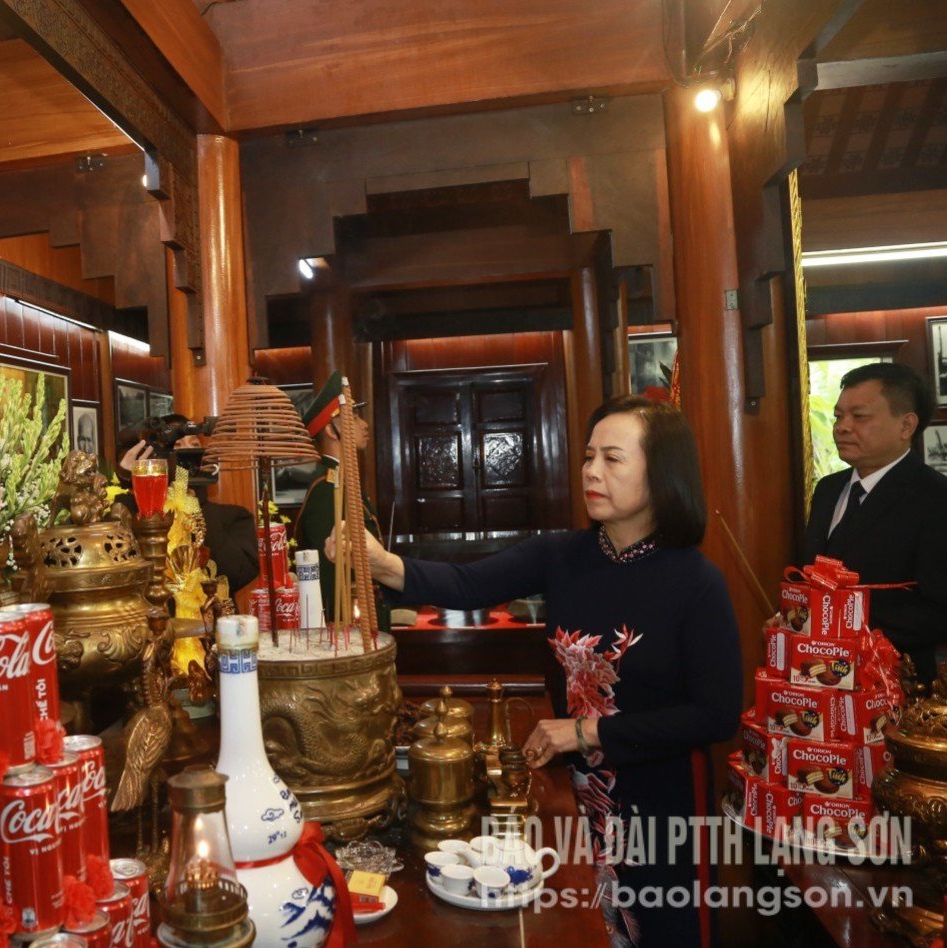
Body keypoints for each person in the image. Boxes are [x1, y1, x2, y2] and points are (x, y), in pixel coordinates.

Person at [329, 395, 741, 946]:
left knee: (660, 928)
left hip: (657, 797)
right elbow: (468, 585)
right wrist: (384, 565)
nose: (592, 470)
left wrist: (586, 731)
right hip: (574, 788)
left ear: (661, 473)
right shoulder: (563, 555)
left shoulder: (696, 582)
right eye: (589, 456)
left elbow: (716, 715)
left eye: (613, 459)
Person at [802, 362, 947, 685]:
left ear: (906, 425)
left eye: (860, 416)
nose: (842, 427)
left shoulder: (935, 498)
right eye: (839, 416)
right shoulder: (828, 489)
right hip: (818, 676)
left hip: (895, 682)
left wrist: (843, 623)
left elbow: (939, 611)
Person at [294, 371, 392, 629]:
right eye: (354, 416)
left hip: (366, 615)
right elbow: (330, 572)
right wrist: (344, 627)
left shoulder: (343, 480)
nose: (364, 424)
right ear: (330, 429)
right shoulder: (327, 489)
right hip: (351, 625)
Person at [116, 425, 259, 595]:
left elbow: (236, 575)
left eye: (194, 445)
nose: (186, 454)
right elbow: (117, 564)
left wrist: (194, 508)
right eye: (176, 447)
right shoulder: (141, 513)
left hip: (210, 617)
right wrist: (134, 484)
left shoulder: (233, 516)